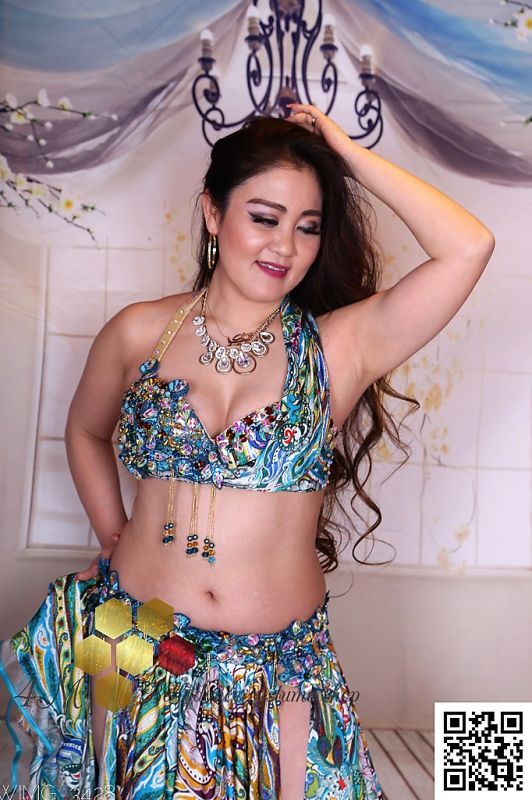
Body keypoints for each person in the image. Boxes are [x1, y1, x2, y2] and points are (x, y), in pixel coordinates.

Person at [0, 103, 495, 799]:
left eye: (308, 226)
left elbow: (469, 246)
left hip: (281, 670)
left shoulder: (338, 349)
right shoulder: (139, 333)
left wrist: (344, 154)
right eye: (265, 217)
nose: (284, 245)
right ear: (213, 213)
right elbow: (85, 431)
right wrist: (114, 535)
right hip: (137, 644)